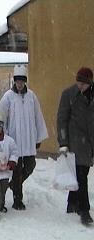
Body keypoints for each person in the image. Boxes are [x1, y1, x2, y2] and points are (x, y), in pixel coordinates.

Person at [0, 65, 48, 210]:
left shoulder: (31, 96)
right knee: (17, 169)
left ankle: (14, 185)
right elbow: (2, 117)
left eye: (22, 81)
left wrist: (38, 138)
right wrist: (3, 137)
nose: (19, 84)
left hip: (28, 139)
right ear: (14, 82)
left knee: (30, 165)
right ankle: (17, 200)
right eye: (17, 81)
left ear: (25, 82)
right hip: (14, 139)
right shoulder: (8, 97)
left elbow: (38, 117)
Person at [57, 67, 94, 225]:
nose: (80, 86)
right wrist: (63, 142)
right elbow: (61, 120)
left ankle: (72, 203)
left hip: (91, 141)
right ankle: (84, 211)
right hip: (76, 141)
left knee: (80, 173)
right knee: (81, 175)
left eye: (84, 84)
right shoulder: (68, 94)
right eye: (78, 82)